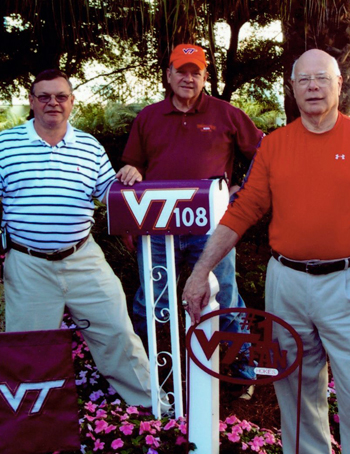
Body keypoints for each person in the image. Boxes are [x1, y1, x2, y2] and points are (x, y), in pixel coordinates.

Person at [181, 49, 350, 454]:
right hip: (288, 285)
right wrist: (199, 271)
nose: (313, 86)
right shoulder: (275, 145)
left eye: (322, 78)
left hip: (349, 284)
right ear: (292, 89)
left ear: (338, 85)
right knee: (294, 389)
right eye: (304, 80)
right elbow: (242, 211)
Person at [0, 69, 154, 408]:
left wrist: (131, 176)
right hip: (28, 265)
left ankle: (152, 411)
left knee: (118, 335)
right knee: (30, 347)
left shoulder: (89, 146)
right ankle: (32, 423)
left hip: (84, 260)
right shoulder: (4, 144)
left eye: (60, 96)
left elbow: (109, 195)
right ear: (31, 102)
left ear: (71, 102)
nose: (52, 103)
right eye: (44, 96)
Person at [117, 44, 264, 387]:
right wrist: (130, 171)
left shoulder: (226, 114)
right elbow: (133, 164)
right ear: (168, 76)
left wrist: (241, 189)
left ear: (204, 77)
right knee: (152, 300)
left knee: (224, 294)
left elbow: (265, 153)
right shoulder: (148, 117)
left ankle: (240, 369)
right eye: (181, 71)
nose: (187, 78)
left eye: (195, 72)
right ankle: (148, 373)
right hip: (156, 225)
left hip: (211, 227)